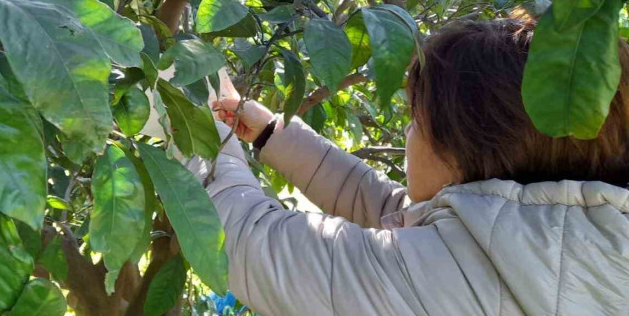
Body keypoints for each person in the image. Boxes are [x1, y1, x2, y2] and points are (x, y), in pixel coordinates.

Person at [192, 18, 629, 316]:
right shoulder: (564, 234)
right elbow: (387, 206)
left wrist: (200, 130)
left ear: (466, 151)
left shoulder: (455, 281)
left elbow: (248, 245)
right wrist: (272, 133)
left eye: (416, 121)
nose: (407, 134)